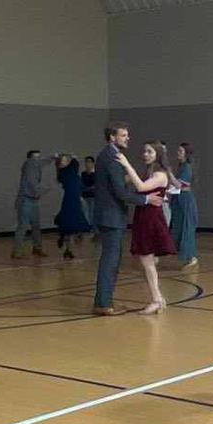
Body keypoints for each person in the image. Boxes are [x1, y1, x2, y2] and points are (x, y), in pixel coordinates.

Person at [92, 123, 140, 315]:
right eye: (124, 135)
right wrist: (145, 199)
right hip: (111, 216)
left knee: (111, 259)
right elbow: (119, 192)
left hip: (108, 215)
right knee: (110, 261)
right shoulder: (112, 157)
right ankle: (103, 303)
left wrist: (127, 179)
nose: (127, 138)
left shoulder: (106, 155)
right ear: (112, 137)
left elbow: (114, 184)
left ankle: (105, 301)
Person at [122, 140, 175, 314]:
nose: (145, 154)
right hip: (143, 216)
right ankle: (158, 298)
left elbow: (141, 186)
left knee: (147, 261)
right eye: (144, 151)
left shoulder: (160, 175)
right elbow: (128, 182)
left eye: (150, 151)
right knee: (147, 261)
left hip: (151, 218)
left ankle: (156, 299)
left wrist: (127, 165)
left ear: (158, 154)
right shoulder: (148, 172)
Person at [11, 149, 55, 259]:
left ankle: (37, 248)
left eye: (39, 157)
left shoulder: (35, 169)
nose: (38, 160)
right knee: (23, 226)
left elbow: (41, 164)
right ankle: (16, 251)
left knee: (36, 226)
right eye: (36, 157)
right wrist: (53, 157)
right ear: (30, 159)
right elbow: (32, 182)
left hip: (33, 200)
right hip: (25, 200)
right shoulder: (29, 164)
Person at [167, 142, 199, 269]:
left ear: (186, 153)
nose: (178, 153)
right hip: (179, 200)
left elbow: (179, 185)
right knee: (178, 227)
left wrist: (169, 173)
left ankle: (190, 256)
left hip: (185, 200)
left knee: (186, 227)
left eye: (180, 151)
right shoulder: (182, 166)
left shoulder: (187, 167)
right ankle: (186, 256)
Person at [53, 153, 90, 259]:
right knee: (70, 222)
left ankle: (68, 248)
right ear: (61, 163)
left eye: (67, 160)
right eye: (64, 160)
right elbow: (74, 163)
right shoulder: (65, 172)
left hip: (76, 199)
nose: (67, 161)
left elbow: (74, 163)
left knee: (71, 223)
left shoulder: (69, 172)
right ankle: (66, 242)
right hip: (70, 200)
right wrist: (72, 157)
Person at [79, 153, 98, 237]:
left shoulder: (96, 173)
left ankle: (95, 232)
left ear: (93, 163)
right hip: (85, 196)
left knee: (92, 214)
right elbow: (81, 184)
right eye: (86, 162)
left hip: (94, 196)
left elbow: (96, 186)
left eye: (89, 162)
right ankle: (85, 230)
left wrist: (87, 188)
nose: (87, 163)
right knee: (84, 213)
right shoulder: (83, 174)